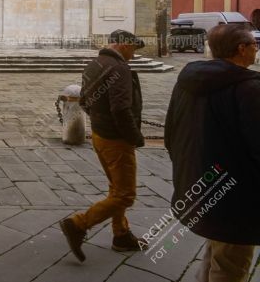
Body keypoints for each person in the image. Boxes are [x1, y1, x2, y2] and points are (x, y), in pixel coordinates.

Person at [165, 24, 259, 282]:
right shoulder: (249, 88)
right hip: (238, 198)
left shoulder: (186, 82)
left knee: (216, 253)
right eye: (254, 44)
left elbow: (170, 134)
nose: (256, 49)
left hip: (201, 188)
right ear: (241, 49)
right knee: (230, 265)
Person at [60, 29, 146, 262]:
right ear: (124, 46)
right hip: (116, 139)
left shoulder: (94, 64)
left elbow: (85, 101)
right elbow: (120, 109)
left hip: (99, 135)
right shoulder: (120, 69)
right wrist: (134, 136)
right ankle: (78, 224)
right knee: (126, 195)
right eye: (133, 49)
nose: (134, 54)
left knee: (116, 188)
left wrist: (99, 121)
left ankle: (121, 235)